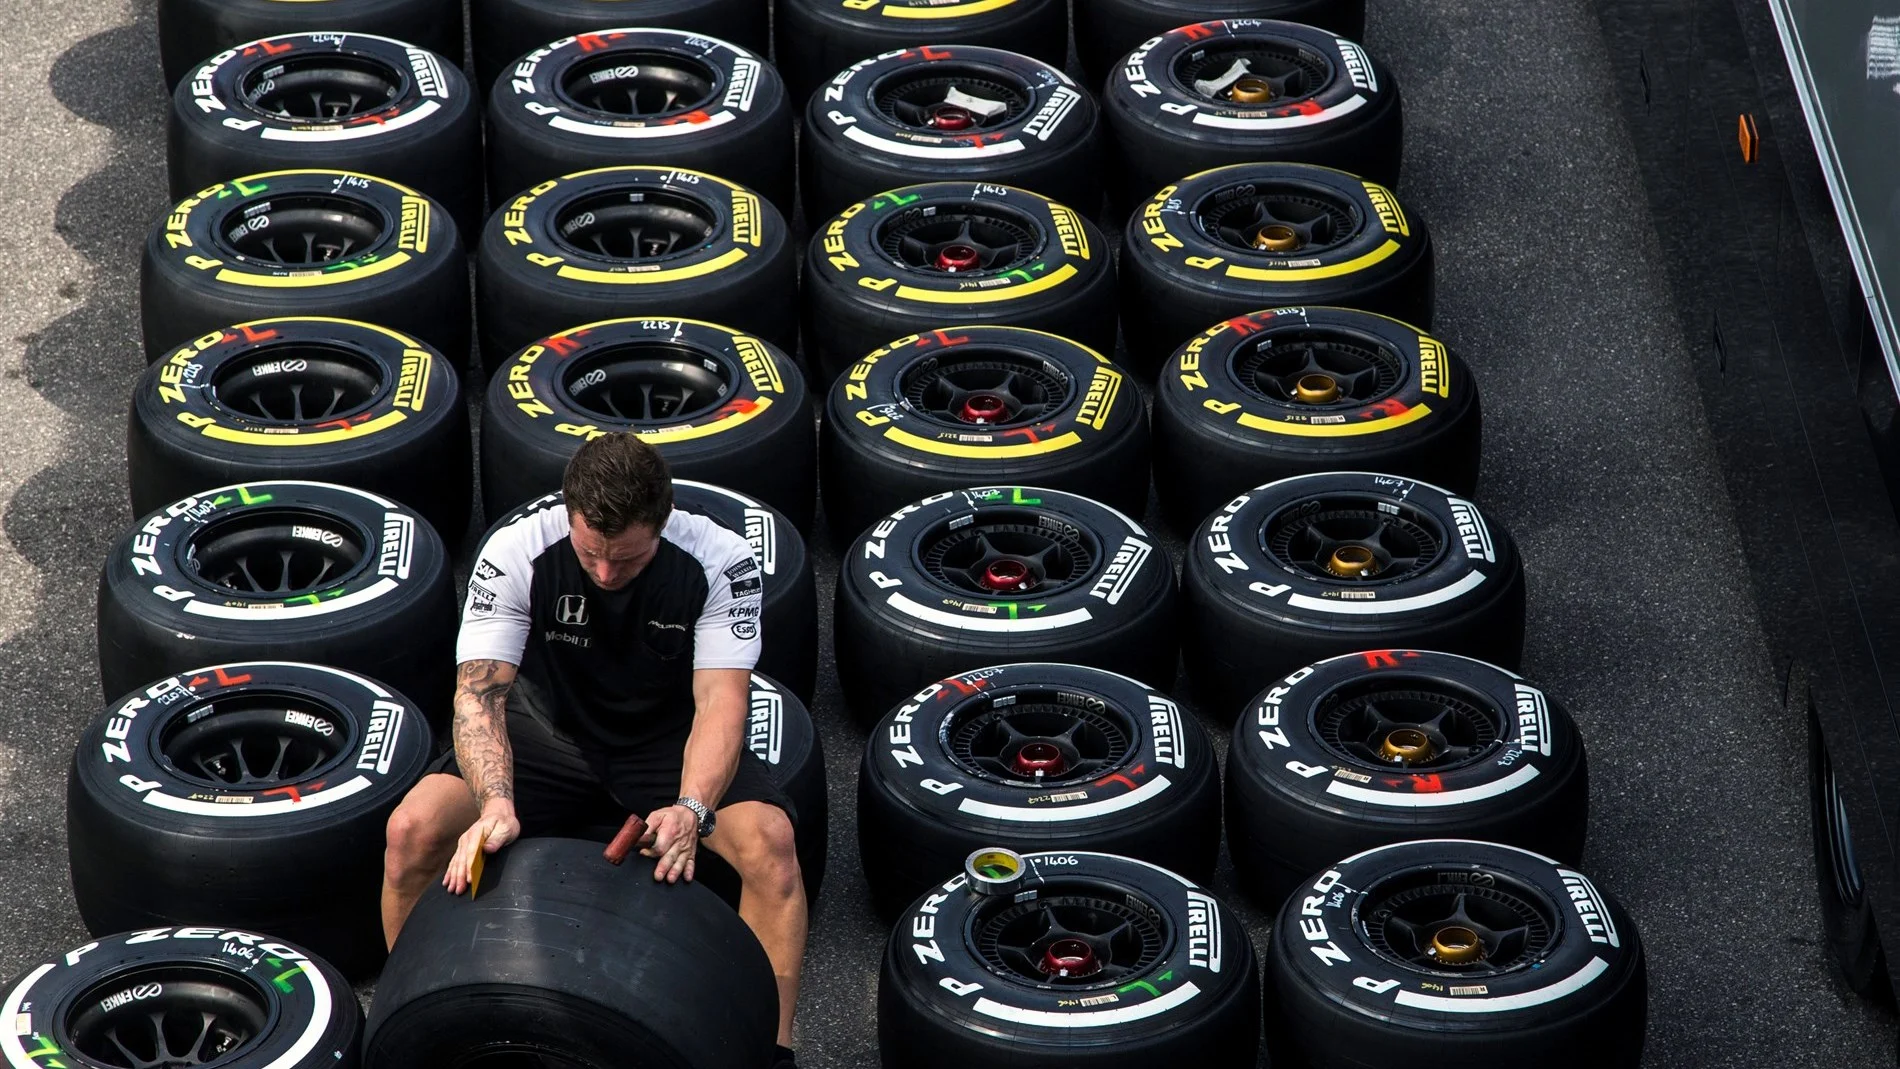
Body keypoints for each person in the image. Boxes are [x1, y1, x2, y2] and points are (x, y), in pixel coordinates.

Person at [380, 432, 807, 1069]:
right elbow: (479, 697)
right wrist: (495, 804)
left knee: (771, 850)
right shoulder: (516, 549)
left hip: (664, 742)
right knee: (410, 831)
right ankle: (409, 1013)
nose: (606, 573)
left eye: (627, 560)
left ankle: (773, 1053)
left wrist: (691, 808)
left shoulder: (721, 559)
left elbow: (721, 701)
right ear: (568, 514)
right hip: (543, 738)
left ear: (662, 525)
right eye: (591, 554)